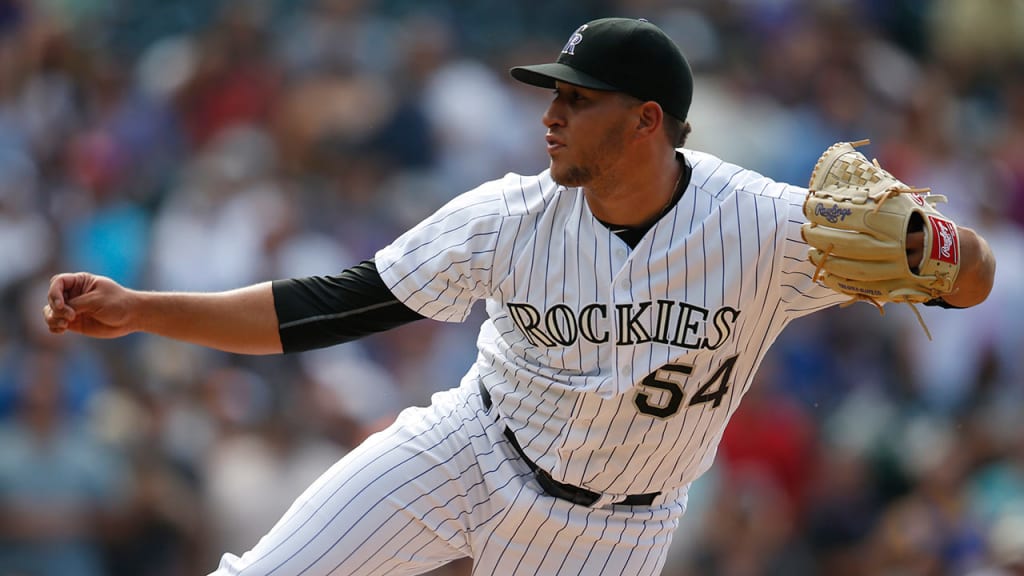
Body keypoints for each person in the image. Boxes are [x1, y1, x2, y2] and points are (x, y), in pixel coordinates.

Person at [42, 17, 996, 576]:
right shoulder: (506, 218)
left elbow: (975, 276)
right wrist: (143, 308)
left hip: (611, 529)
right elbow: (327, 306)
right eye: (554, 94)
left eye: (577, 99)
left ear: (646, 121)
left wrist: (934, 245)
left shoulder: (770, 227)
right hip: (468, 447)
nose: (550, 114)